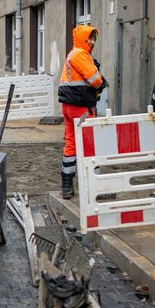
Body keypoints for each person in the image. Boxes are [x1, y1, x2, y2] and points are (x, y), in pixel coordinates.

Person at [58, 24, 106, 199]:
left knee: (71, 143)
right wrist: (101, 81)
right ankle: (95, 186)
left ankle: (66, 185)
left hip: (69, 106)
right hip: (81, 107)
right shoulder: (80, 54)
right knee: (89, 144)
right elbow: (95, 80)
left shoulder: (73, 54)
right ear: (82, 38)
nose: (92, 42)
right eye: (89, 38)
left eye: (94, 38)